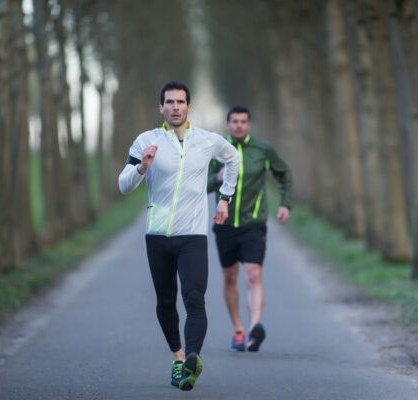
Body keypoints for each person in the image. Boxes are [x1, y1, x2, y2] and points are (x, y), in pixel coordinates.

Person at [118, 81, 239, 391]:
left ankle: (192, 359)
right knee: (166, 300)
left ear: (189, 107)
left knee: (194, 297)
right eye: (169, 102)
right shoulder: (146, 141)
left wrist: (225, 197)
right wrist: (142, 167)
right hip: (157, 235)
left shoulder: (207, 141)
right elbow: (123, 185)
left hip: (193, 235)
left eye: (180, 102)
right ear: (161, 108)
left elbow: (233, 158)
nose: (175, 107)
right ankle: (177, 356)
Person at [208, 105, 292, 352]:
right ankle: (238, 328)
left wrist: (285, 204)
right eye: (234, 121)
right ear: (227, 125)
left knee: (253, 274)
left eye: (243, 121)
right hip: (224, 225)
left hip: (253, 224)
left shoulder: (262, 149)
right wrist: (216, 178)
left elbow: (284, 174)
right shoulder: (217, 150)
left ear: (249, 125)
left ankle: (255, 327)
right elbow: (200, 185)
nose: (239, 125)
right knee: (230, 276)